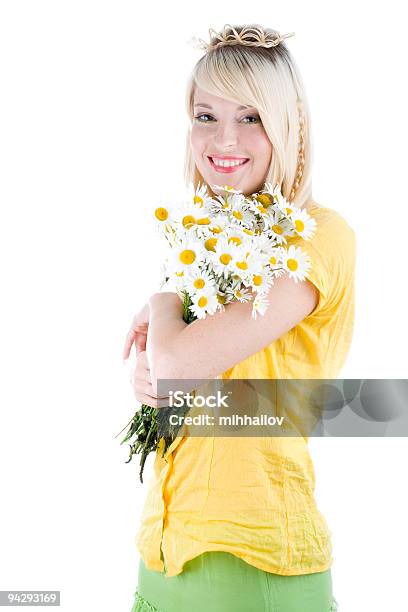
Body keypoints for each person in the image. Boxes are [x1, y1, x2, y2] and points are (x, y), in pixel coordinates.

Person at [124, 23, 354, 612]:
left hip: (256, 570)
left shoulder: (318, 239)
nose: (223, 139)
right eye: (206, 116)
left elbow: (178, 362)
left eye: (251, 117)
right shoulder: (205, 239)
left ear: (289, 125)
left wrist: (160, 306)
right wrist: (149, 381)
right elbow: (183, 381)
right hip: (163, 559)